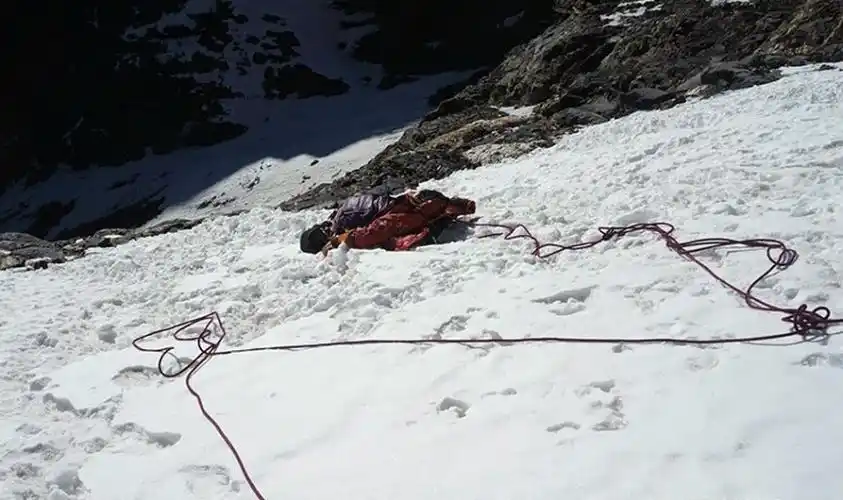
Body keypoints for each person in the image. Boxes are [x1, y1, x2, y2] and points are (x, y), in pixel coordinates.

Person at [299, 189, 476, 255]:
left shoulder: (341, 222)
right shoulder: (339, 216)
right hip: (391, 207)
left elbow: (377, 230)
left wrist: (346, 239)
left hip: (391, 210)